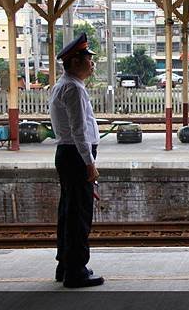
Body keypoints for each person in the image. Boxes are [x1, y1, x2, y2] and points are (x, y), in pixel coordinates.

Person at [49, 33, 104, 288]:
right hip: (76, 155)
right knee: (80, 213)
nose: (91, 63)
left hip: (68, 154)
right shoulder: (73, 88)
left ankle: (66, 265)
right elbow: (79, 130)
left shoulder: (63, 85)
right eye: (87, 58)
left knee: (69, 211)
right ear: (73, 62)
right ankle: (76, 271)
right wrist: (89, 163)